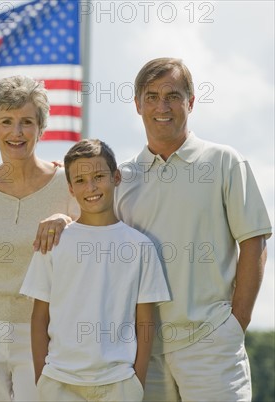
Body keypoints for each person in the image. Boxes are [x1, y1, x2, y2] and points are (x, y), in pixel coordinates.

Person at [113, 57, 272, 401]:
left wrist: (235, 324)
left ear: (191, 101)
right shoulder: (121, 178)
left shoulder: (224, 161)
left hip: (211, 344)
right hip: (142, 352)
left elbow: (254, 241)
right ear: (137, 103)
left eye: (172, 95)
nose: (162, 106)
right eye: (151, 96)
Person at [0, 75, 80, 401]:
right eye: (6, 122)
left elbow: (100, 242)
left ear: (41, 128)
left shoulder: (69, 185)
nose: (17, 132)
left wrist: (69, 221)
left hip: (43, 331)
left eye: (27, 122)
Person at [21, 139, 171, 402]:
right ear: (70, 188)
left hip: (119, 383)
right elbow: (39, 318)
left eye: (99, 176)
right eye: (80, 180)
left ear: (115, 177)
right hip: (59, 382)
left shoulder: (140, 247)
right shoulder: (53, 242)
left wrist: (137, 380)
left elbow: (145, 322)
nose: (90, 187)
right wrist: (41, 378)